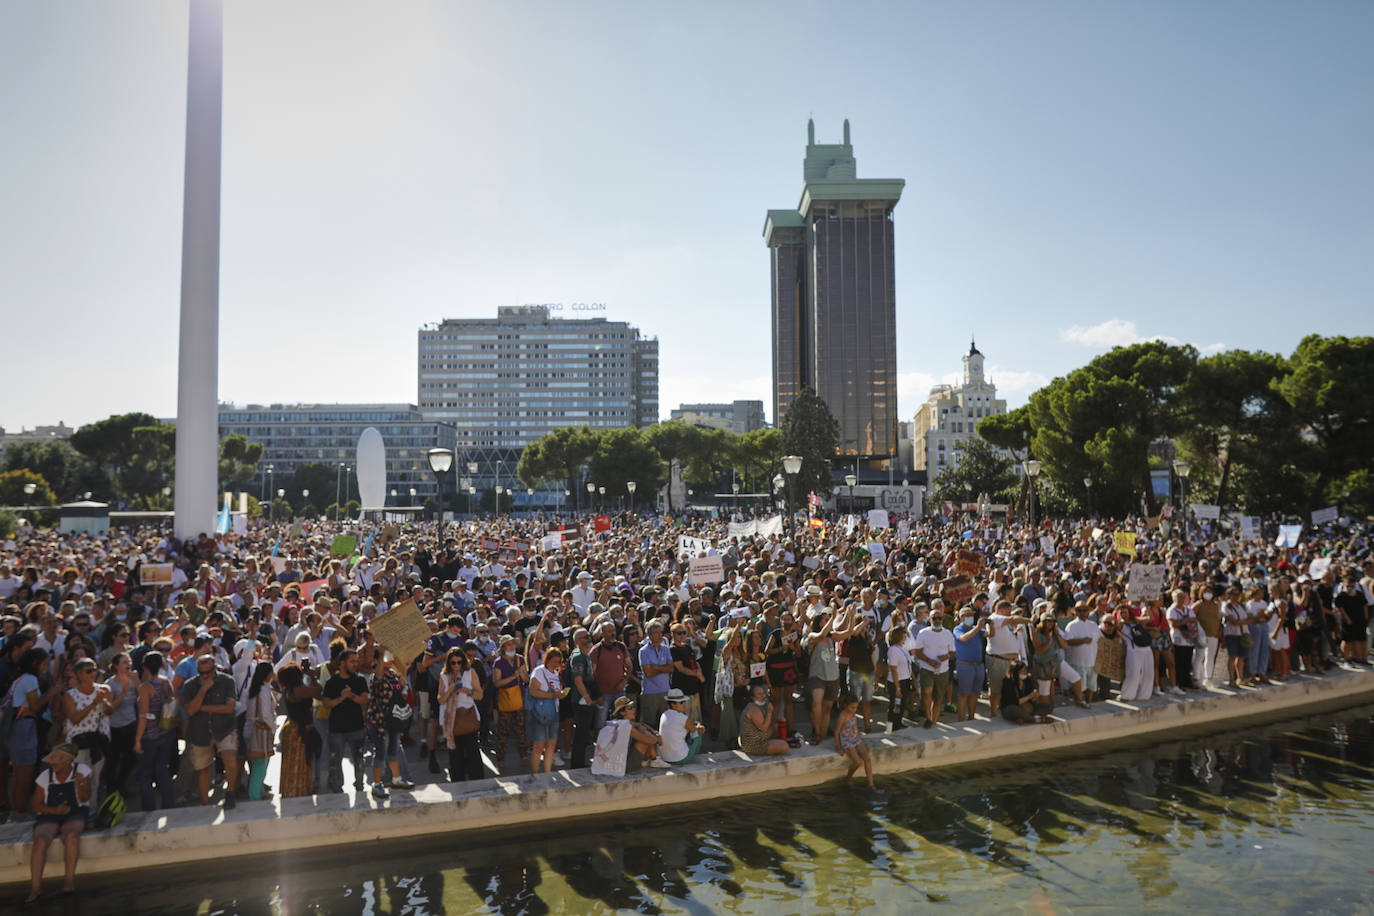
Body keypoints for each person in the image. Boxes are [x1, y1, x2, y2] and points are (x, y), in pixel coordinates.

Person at [25, 742, 89, 904]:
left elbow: (85, 799)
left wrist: (80, 784)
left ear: (68, 762)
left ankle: (68, 883)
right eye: (52, 761)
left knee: (71, 837)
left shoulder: (82, 771)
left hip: (75, 813)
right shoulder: (45, 777)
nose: (53, 764)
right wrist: (55, 811)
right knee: (40, 841)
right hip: (50, 815)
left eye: (57, 761)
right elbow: (35, 806)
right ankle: (35, 889)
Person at [181, 652, 240, 808]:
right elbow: (190, 711)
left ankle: (230, 793)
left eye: (208, 672)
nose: (205, 676)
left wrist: (202, 707)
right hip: (200, 732)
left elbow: (229, 708)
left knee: (230, 759)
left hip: (225, 728)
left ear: (215, 668)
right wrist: (203, 691)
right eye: (201, 673)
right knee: (204, 769)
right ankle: (205, 803)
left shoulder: (227, 681)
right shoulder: (191, 685)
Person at [132, 651, 176, 812]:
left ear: (144, 667)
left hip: (149, 736)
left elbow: (143, 716)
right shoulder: (166, 682)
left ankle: (149, 808)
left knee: (145, 774)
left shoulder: (145, 688)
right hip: (166, 732)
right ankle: (169, 805)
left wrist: (137, 740)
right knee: (163, 770)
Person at [321, 648, 369, 792]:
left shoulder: (360, 680)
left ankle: (360, 786)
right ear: (342, 664)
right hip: (337, 729)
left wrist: (351, 696)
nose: (355, 664)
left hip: (357, 728)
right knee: (335, 762)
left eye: (356, 661)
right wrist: (342, 697)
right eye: (352, 661)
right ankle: (337, 788)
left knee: (359, 760)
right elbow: (326, 703)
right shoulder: (332, 682)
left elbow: (365, 700)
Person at [437, 648, 483, 781]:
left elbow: (480, 694)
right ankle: (458, 782)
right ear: (448, 663)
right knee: (455, 755)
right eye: (453, 663)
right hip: (452, 721)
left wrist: (466, 691)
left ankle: (477, 781)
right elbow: (440, 700)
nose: (456, 665)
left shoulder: (470, 673)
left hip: (468, 717)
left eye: (459, 662)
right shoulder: (444, 676)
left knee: (473, 752)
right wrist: (450, 690)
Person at [275, 663, 320, 798]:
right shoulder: (298, 690)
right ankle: (298, 791)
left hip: (292, 729)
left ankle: (290, 791)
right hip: (299, 731)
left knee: (292, 763)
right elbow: (317, 689)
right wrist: (311, 677)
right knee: (301, 762)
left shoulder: (290, 690)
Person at [912, 607, 956, 728]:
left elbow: (952, 653)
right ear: (929, 620)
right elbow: (917, 651)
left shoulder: (948, 634)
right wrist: (928, 660)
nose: (937, 621)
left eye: (939, 618)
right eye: (934, 618)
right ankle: (928, 717)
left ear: (943, 619)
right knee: (927, 691)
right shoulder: (923, 633)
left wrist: (944, 657)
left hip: (943, 670)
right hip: (927, 668)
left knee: (938, 698)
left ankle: (934, 722)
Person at [527, 647, 567, 773]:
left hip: (554, 713)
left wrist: (559, 694)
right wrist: (554, 695)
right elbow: (532, 691)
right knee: (539, 746)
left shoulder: (555, 674)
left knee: (551, 745)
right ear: (547, 659)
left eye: (558, 662)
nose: (556, 664)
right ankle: (535, 774)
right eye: (553, 661)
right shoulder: (539, 671)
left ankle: (547, 773)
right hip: (541, 713)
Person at [241, 661, 277, 801]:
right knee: (260, 766)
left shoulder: (253, 688)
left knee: (257, 765)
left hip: (250, 730)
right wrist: (273, 730)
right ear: (268, 674)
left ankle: (260, 793)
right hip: (261, 732)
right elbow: (266, 714)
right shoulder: (264, 690)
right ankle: (255, 796)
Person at [951, 607, 987, 721]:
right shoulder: (958, 629)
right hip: (965, 665)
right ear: (961, 618)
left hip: (978, 665)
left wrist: (991, 623)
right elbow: (964, 638)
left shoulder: (977, 629)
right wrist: (978, 627)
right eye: (967, 615)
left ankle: (971, 717)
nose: (970, 617)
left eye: (971, 615)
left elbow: (990, 634)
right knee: (964, 694)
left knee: (975, 693)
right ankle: (961, 719)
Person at [834, 692, 873, 789]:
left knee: (867, 758)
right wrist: (839, 747)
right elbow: (837, 732)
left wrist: (862, 744)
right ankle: (848, 778)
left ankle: (871, 784)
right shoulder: (843, 716)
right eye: (852, 707)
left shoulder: (853, 714)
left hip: (855, 738)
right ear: (845, 705)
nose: (854, 710)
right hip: (847, 741)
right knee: (857, 762)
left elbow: (856, 729)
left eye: (856, 707)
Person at [738, 684, 789, 756]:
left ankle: (773, 744)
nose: (763, 696)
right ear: (753, 697)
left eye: (763, 693)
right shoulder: (753, 708)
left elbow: (768, 721)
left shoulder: (760, 705)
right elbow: (764, 728)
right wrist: (769, 712)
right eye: (759, 694)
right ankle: (772, 745)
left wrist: (777, 719)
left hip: (757, 736)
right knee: (784, 746)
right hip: (752, 744)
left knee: (776, 726)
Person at [658, 687, 705, 765]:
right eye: (682, 702)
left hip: (664, 757)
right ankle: (694, 756)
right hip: (679, 758)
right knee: (699, 733)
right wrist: (700, 726)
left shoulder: (664, 714)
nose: (685, 704)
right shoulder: (682, 718)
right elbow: (696, 730)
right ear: (673, 704)